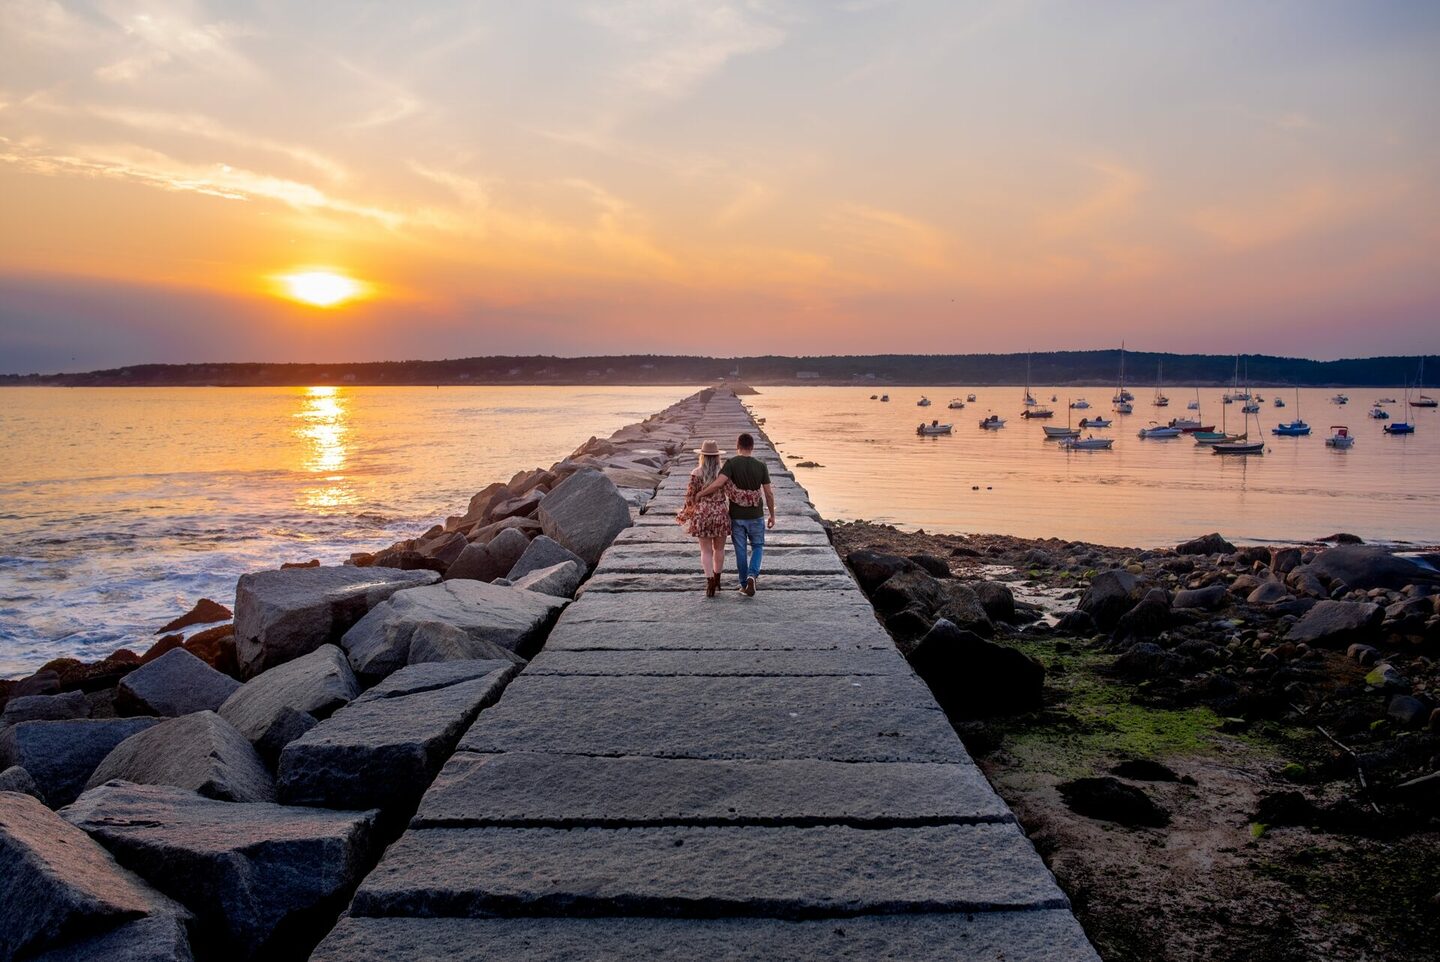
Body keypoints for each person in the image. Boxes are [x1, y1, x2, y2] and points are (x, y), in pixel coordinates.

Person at [700, 432, 775, 596]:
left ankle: (743, 584)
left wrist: (701, 494)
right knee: (758, 546)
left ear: (737, 446)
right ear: (752, 447)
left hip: (737, 516)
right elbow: (768, 494)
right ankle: (752, 576)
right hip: (756, 515)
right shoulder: (761, 465)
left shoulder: (731, 463)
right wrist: (772, 515)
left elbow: (718, 484)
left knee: (740, 550)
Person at [675, 440, 730, 597]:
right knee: (719, 549)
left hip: (702, 514)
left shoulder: (696, 472)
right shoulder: (723, 473)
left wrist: (686, 513)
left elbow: (690, 496)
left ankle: (709, 581)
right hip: (720, 513)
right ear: (717, 456)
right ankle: (717, 579)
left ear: (702, 456)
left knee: (705, 551)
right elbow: (730, 493)